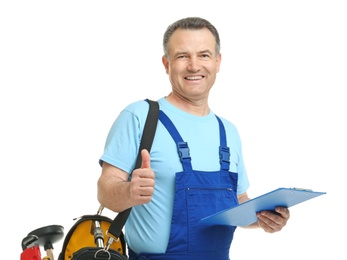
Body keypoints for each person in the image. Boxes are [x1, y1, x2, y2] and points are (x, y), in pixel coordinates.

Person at [97, 17, 290, 260]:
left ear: (218, 62)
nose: (194, 66)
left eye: (204, 55)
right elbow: (105, 191)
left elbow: (238, 201)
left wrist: (263, 219)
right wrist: (129, 191)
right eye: (182, 56)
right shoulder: (140, 117)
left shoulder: (228, 131)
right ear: (166, 64)